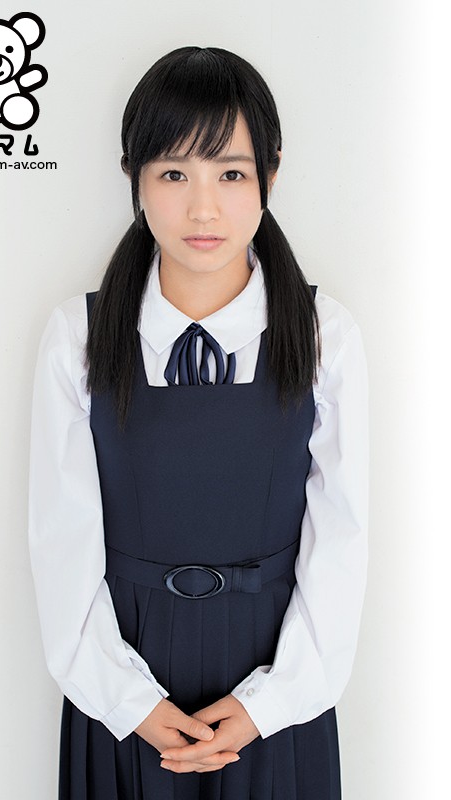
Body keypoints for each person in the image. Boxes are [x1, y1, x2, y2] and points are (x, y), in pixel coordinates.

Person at [28, 46, 368, 800]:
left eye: (231, 174)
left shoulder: (323, 336)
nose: (204, 208)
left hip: (277, 690)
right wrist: (131, 704)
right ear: (134, 177)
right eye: (174, 174)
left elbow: (342, 542)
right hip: (123, 690)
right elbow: (61, 546)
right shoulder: (79, 337)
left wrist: (269, 705)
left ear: (270, 175)